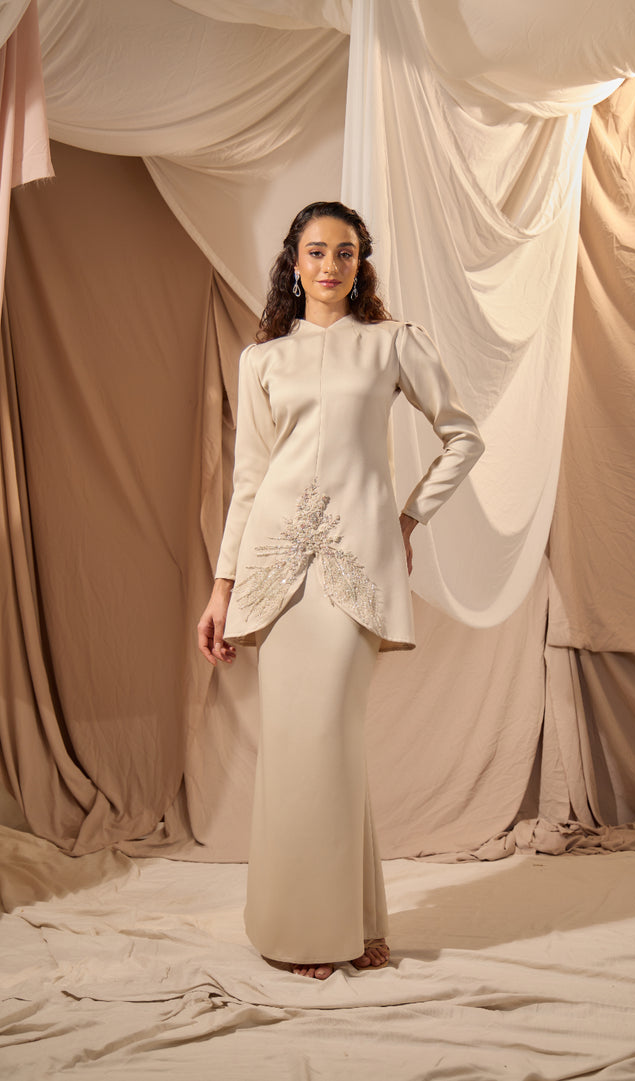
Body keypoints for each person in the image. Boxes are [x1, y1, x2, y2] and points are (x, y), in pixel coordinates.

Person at [197, 201, 484, 980]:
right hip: (275, 570)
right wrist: (222, 587)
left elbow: (463, 435)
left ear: (361, 264)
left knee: (329, 738)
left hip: (354, 570)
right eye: (317, 251)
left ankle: (327, 927)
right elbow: (250, 481)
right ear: (294, 263)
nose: (330, 265)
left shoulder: (391, 344)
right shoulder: (262, 360)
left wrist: (408, 516)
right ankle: (330, 924)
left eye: (345, 252)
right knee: (299, 746)